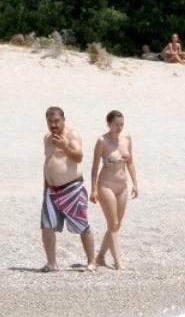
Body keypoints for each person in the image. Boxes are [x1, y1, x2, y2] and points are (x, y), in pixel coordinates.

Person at [41, 106, 96, 272]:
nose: (53, 124)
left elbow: (79, 157)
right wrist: (45, 190)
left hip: (72, 188)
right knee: (46, 225)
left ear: (63, 120)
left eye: (56, 120)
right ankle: (52, 263)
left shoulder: (72, 135)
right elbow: (47, 163)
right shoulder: (47, 138)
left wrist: (65, 146)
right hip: (52, 190)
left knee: (82, 225)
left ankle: (91, 261)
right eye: (50, 121)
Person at [89, 110, 140, 270]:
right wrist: (93, 189)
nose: (119, 128)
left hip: (122, 185)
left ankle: (100, 257)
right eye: (116, 125)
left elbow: (130, 162)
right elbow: (95, 165)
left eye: (121, 124)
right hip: (106, 184)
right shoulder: (102, 141)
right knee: (113, 222)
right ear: (109, 124)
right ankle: (118, 263)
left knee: (116, 225)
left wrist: (135, 183)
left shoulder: (127, 138)